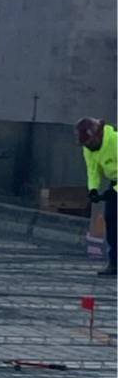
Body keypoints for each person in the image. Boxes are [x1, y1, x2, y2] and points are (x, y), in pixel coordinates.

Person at [79, 117, 117, 276]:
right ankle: (114, 263)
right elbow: (93, 170)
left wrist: (114, 190)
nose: (88, 147)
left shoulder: (115, 141)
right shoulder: (89, 148)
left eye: (90, 143)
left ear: (99, 135)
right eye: (86, 144)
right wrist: (93, 189)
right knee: (112, 220)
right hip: (115, 181)